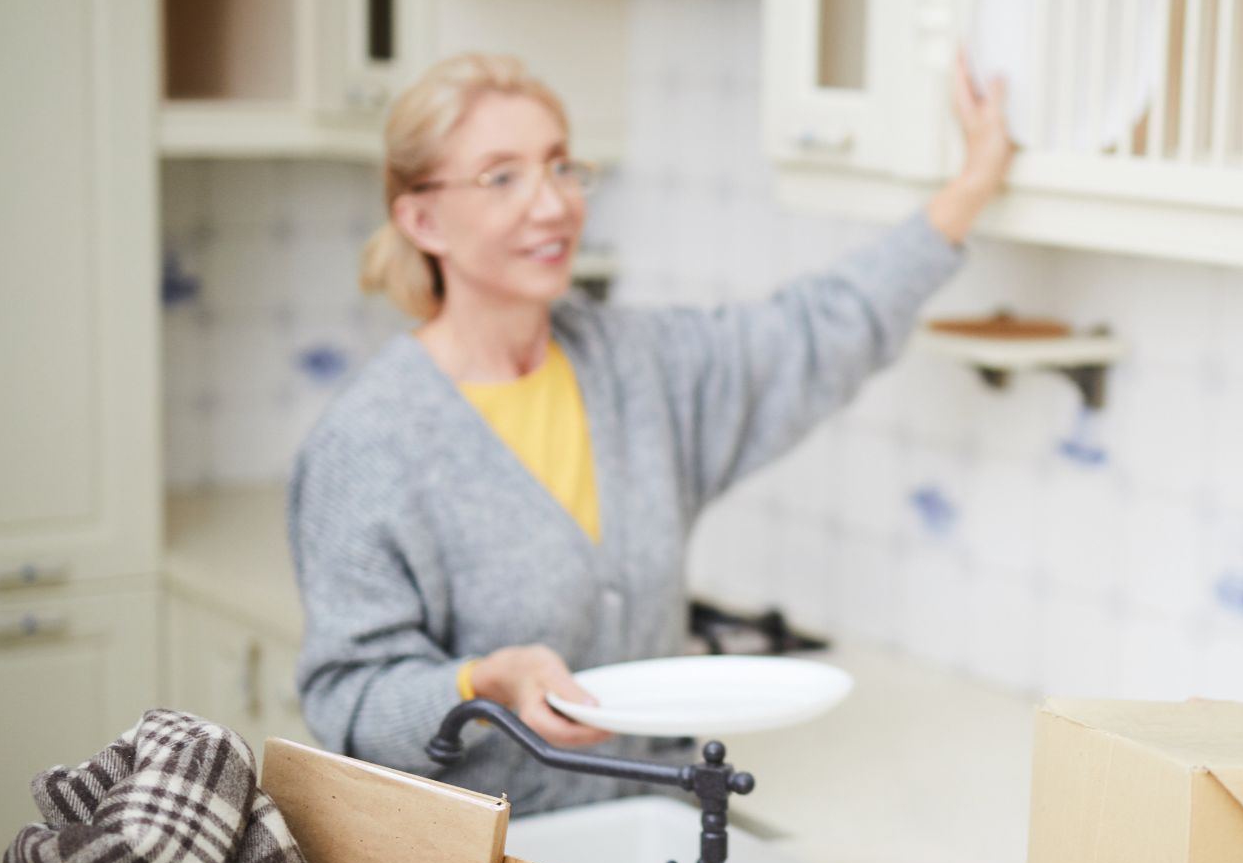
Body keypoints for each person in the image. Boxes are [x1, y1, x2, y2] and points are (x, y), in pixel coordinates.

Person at [290, 51, 1012, 812]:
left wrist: (972, 185)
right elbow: (349, 704)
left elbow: (815, 331)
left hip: (653, 834)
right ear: (421, 218)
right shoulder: (366, 443)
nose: (554, 204)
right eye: (503, 176)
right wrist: (479, 684)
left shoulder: (641, 368)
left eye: (562, 166)